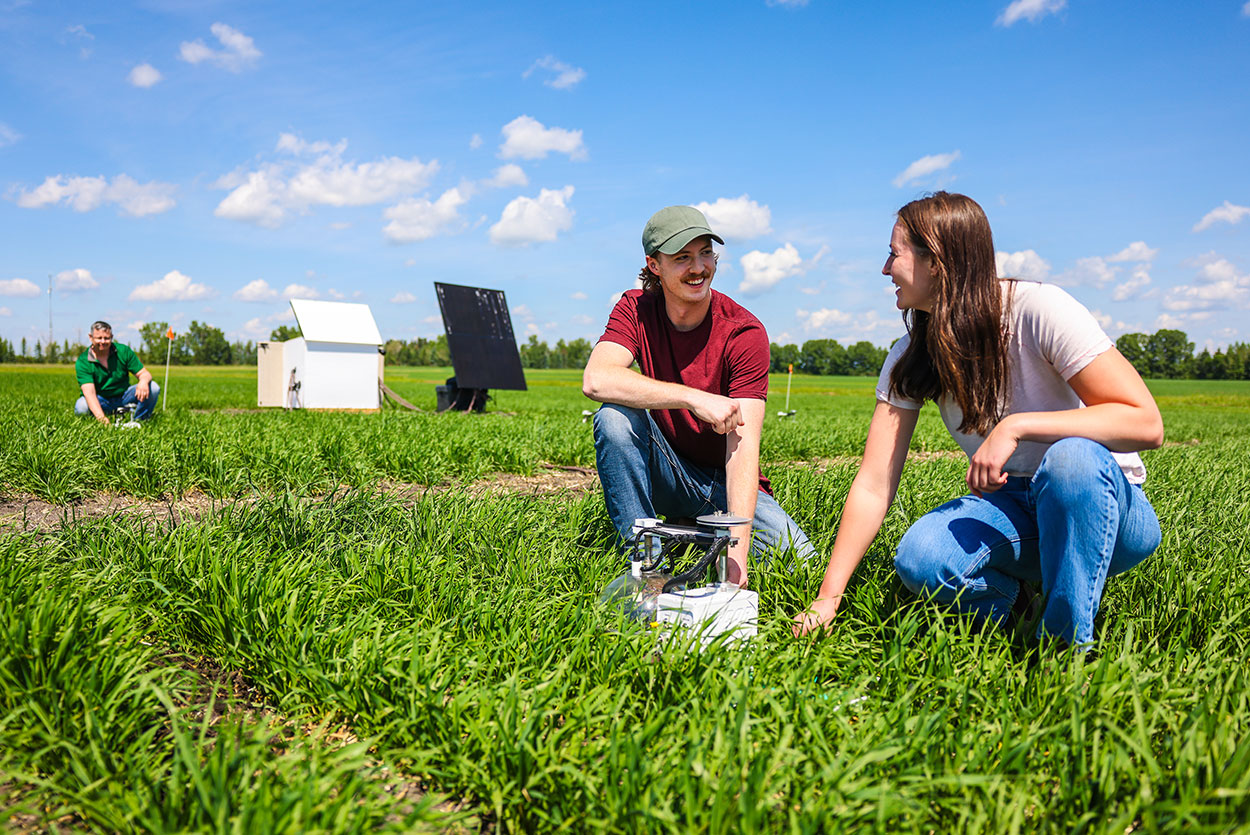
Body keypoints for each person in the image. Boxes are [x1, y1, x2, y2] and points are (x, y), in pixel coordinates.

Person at [793, 192, 1162, 647]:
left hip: (1104, 506)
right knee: (921, 557)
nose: (885, 269)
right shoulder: (910, 357)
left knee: (1072, 460)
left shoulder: (1039, 310)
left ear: (937, 261)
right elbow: (873, 483)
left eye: (894, 254)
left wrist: (1018, 426)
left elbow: (1146, 423)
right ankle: (1016, 608)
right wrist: (828, 597)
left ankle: (1065, 650)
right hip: (1013, 508)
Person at [583, 205, 816, 586]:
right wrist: (693, 397)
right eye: (682, 258)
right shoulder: (635, 309)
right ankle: (648, 565)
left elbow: (743, 448)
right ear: (654, 265)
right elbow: (596, 379)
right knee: (613, 419)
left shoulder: (743, 332)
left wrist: (735, 562)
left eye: (706, 253)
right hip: (668, 471)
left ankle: (690, 528)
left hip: (724, 483)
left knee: (800, 563)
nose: (698, 268)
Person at [74, 321, 160, 422]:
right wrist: (102, 419)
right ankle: (95, 419)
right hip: (100, 399)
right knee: (81, 406)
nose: (103, 341)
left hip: (123, 397)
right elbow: (90, 393)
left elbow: (144, 373)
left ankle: (141, 421)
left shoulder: (123, 351)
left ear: (111, 337)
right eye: (99, 338)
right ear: (91, 337)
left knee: (153, 387)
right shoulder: (83, 361)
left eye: (106, 338)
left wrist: (143, 382)